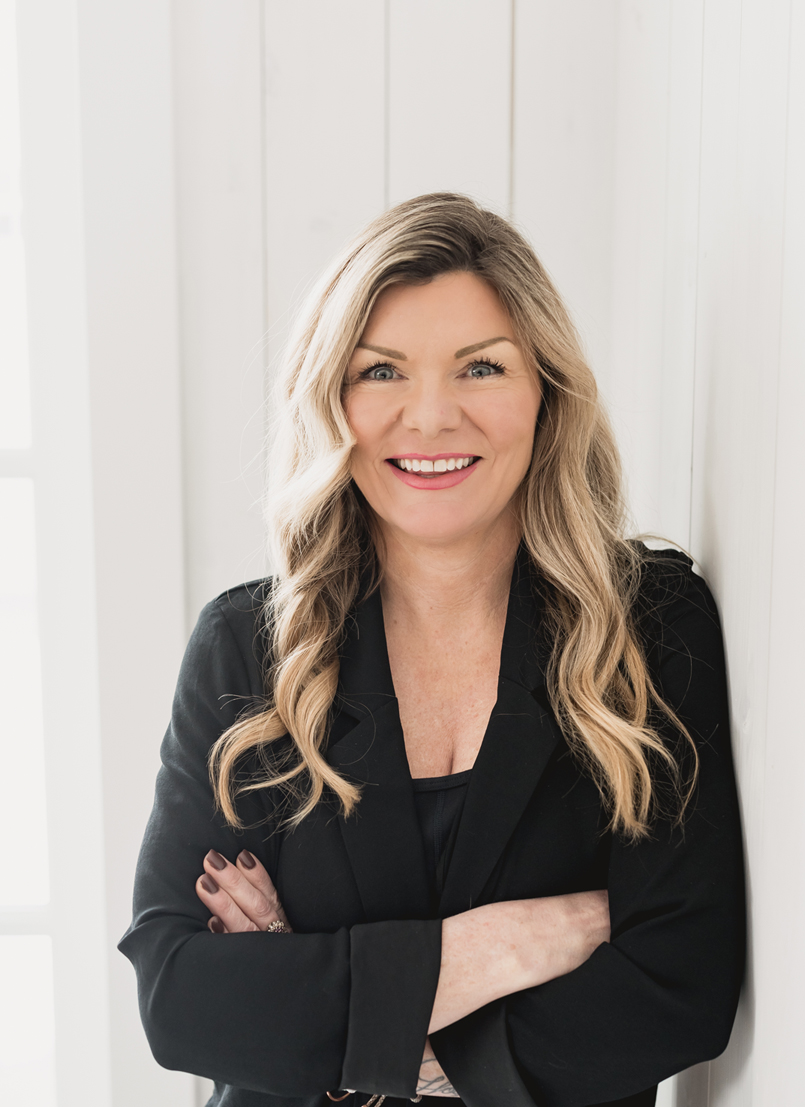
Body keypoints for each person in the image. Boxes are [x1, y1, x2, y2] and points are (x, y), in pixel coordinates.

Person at [119, 193, 745, 1107]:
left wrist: (330, 1020)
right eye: (382, 372)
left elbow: (676, 989)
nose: (432, 416)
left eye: (481, 367)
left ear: (546, 390)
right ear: (333, 398)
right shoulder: (245, 651)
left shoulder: (647, 630)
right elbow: (179, 998)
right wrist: (500, 948)